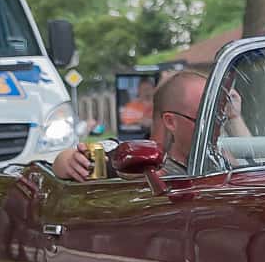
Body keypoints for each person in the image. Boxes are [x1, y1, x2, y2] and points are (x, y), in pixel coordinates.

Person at [52, 69, 248, 180]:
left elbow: (256, 163)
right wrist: (69, 161)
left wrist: (234, 117)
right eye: (204, 120)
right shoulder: (139, 158)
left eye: (218, 118)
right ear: (170, 121)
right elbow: (64, 163)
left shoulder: (221, 159)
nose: (215, 129)